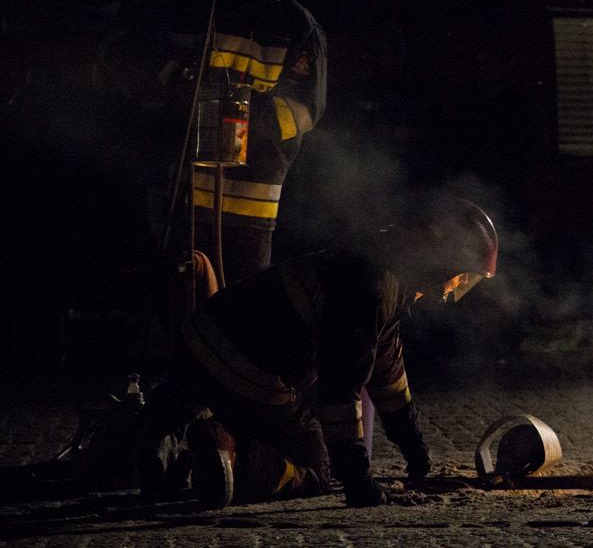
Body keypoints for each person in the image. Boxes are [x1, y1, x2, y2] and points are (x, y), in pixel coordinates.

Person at [137, 198, 499, 508]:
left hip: (201, 340)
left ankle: (156, 441)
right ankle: (233, 457)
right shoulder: (373, 290)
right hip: (250, 370)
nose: (454, 288)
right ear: (437, 259)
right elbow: (339, 395)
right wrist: (358, 480)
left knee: (191, 396)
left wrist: (415, 450)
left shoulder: (381, 275)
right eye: (459, 277)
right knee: (315, 468)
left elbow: (389, 377)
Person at [173, 0, 327, 284]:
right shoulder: (208, 10)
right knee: (187, 292)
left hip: (253, 194)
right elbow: (171, 70)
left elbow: (307, 108)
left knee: (244, 298)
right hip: (195, 190)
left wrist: (243, 118)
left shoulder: (298, 27)